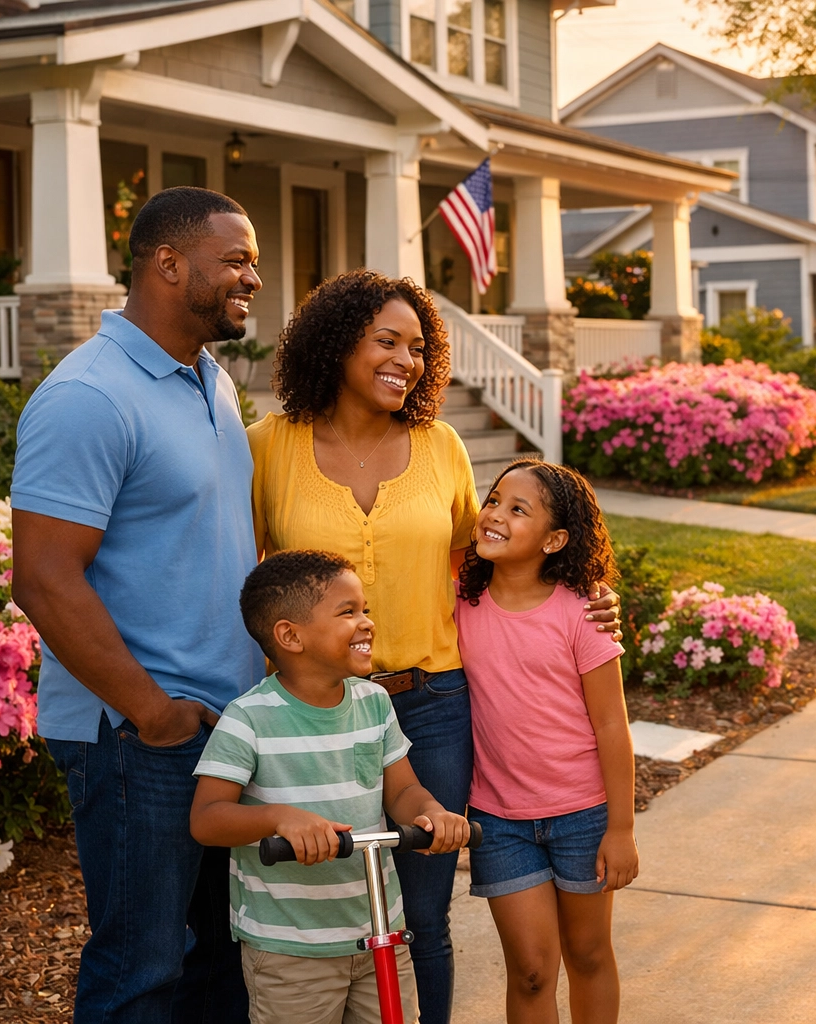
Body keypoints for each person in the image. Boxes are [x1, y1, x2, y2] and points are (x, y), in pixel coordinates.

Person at [248, 269, 622, 1023]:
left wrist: (589, 597)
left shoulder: (439, 444)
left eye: (418, 347)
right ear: (336, 343)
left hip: (435, 704)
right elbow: (253, 581)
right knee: (319, 902)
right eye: (387, 341)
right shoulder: (268, 447)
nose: (407, 360)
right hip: (315, 715)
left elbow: (481, 563)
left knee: (426, 916)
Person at [11, 187, 262, 1022]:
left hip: (222, 728)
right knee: (142, 971)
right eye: (235, 259)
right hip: (135, 738)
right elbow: (44, 577)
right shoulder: (89, 393)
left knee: (221, 965)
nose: (252, 277)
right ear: (167, 263)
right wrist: (150, 712)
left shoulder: (211, 381)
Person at [190, 549, 470, 1024]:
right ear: (290, 636)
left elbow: (401, 792)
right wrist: (279, 818)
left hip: (380, 928)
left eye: (365, 610)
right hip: (291, 948)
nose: (365, 623)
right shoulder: (249, 719)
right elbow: (207, 818)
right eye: (348, 612)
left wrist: (431, 813)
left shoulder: (375, 703)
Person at [454, 460, 637, 1024]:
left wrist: (622, 829)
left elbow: (612, 724)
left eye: (517, 509)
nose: (494, 515)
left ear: (555, 539)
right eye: (493, 500)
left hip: (583, 813)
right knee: (531, 970)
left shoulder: (583, 610)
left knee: (586, 954)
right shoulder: (460, 599)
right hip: (500, 821)